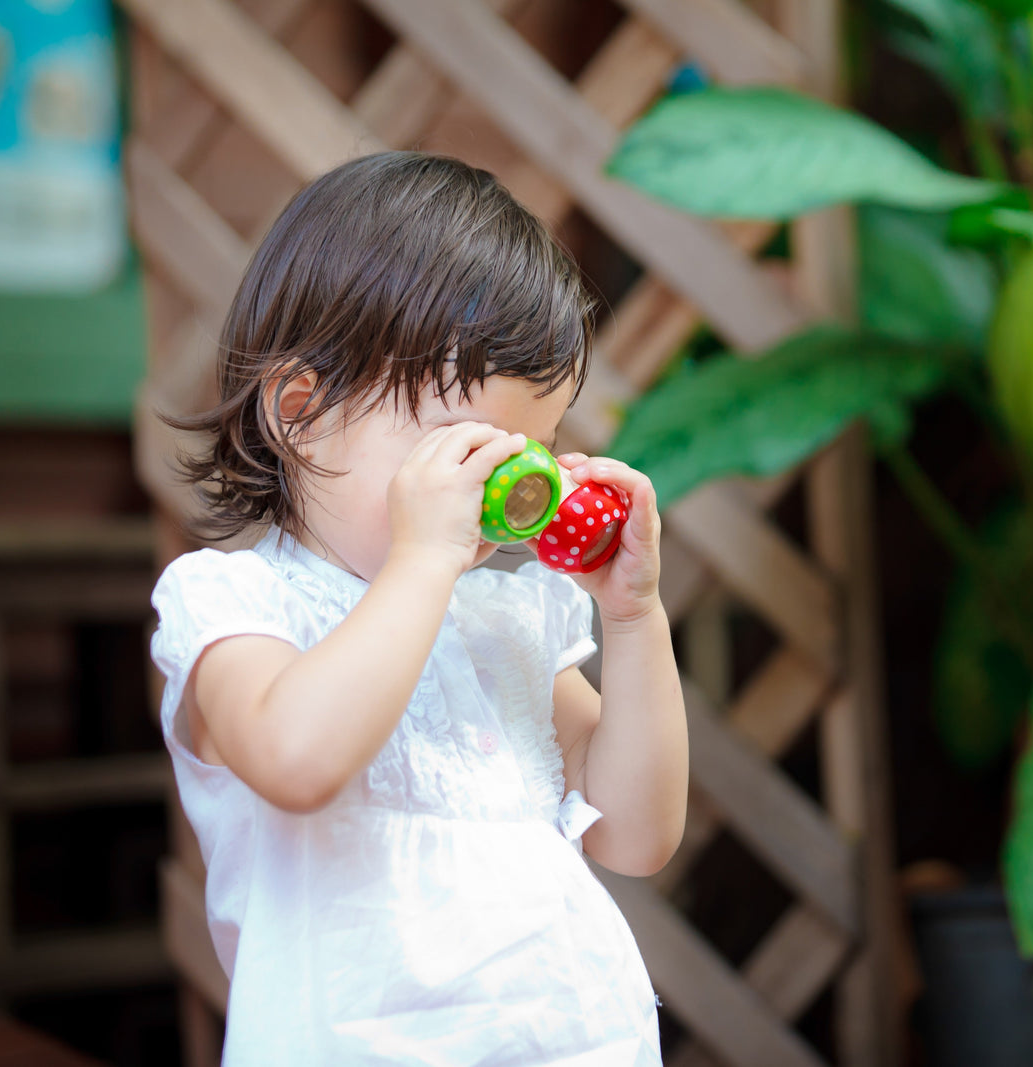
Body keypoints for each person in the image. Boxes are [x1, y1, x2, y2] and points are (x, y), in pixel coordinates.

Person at [149, 151, 689, 1065]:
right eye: (467, 447)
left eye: (534, 451)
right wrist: (423, 560)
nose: (500, 492)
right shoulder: (236, 605)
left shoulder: (507, 625)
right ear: (300, 411)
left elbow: (635, 836)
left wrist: (634, 618)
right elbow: (297, 758)